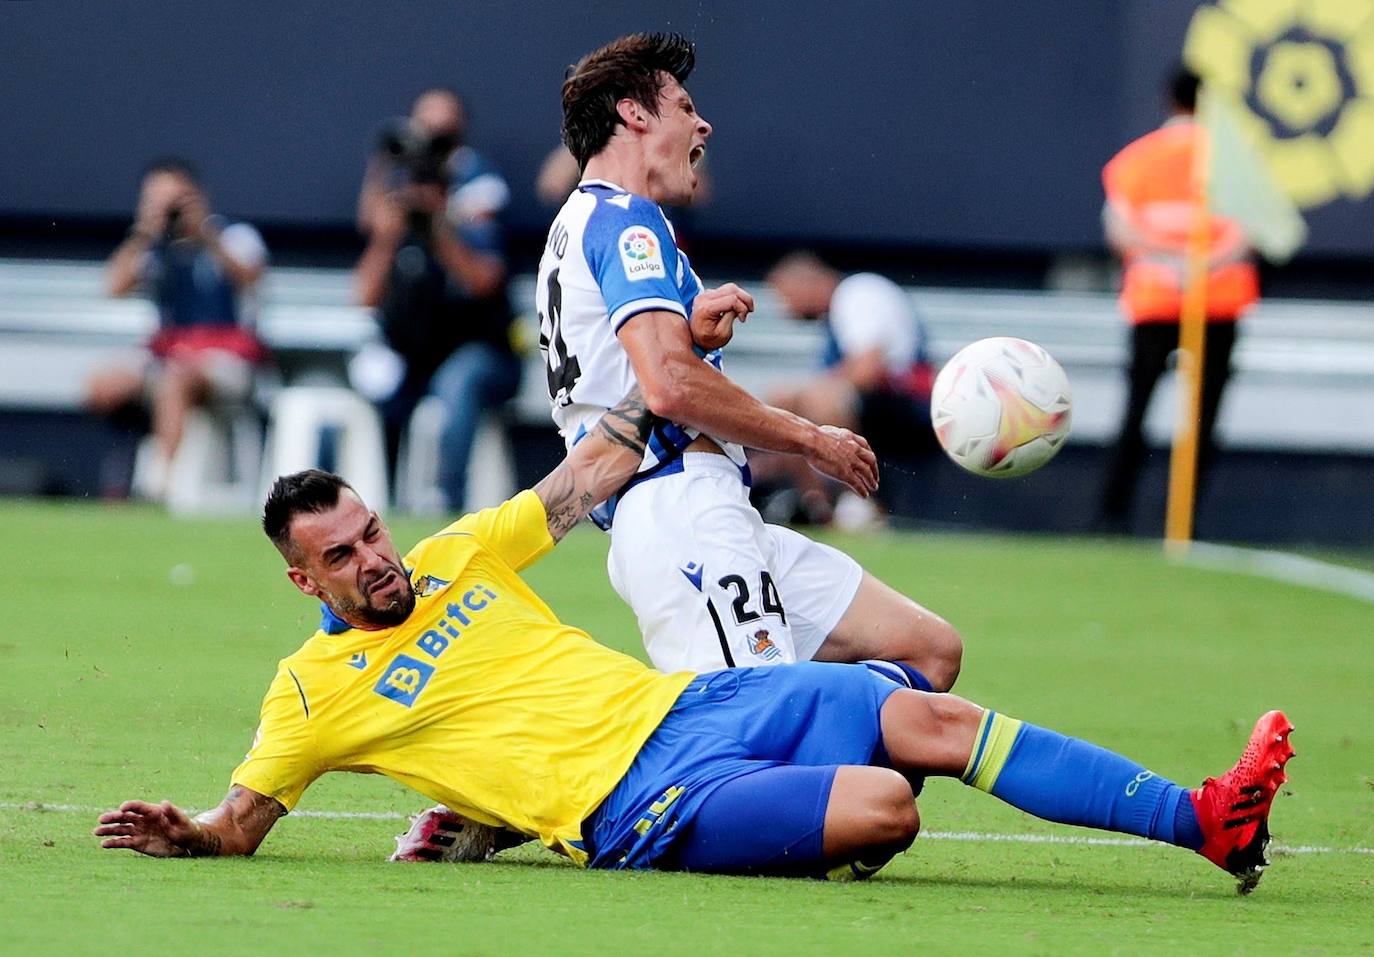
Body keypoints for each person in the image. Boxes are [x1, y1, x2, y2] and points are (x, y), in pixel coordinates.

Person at [92, 384, 1294, 892]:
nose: (375, 558)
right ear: (302, 576)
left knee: (927, 710)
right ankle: (525, 822)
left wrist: (679, 362)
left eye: (371, 531)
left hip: (691, 708)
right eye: (343, 556)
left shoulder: (461, 549)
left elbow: (590, 469)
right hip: (632, 809)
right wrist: (188, 834)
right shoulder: (311, 692)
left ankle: (1203, 818)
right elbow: (242, 822)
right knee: (891, 806)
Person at [532, 32, 961, 689]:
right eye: (682, 106)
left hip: (706, 504)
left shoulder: (579, 224)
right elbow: (669, 385)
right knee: (757, 736)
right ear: (634, 115)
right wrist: (811, 438)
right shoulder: (627, 223)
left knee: (928, 649)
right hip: (678, 505)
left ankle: (845, 772)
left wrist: (693, 339)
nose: (702, 122)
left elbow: (640, 370)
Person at [1097, 68, 1259, 531]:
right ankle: (1182, 520)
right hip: (1217, 300)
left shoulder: (1136, 160)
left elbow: (1119, 230)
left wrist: (1167, 260)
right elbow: (1249, 233)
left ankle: (1112, 516)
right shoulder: (1235, 160)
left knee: (1136, 410)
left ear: (1169, 100)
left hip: (1155, 299)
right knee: (1203, 419)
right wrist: (1201, 264)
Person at [353, 88, 522, 511]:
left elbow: (485, 281)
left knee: (458, 379)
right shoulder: (398, 234)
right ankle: (383, 501)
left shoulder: (472, 225)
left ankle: (449, 501)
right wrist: (388, 239)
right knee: (379, 379)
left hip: (485, 356)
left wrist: (439, 230)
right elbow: (363, 296)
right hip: (417, 357)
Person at [87, 158, 268, 500]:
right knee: (104, 384)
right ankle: (117, 480)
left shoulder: (234, 237)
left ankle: (159, 483)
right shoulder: (154, 249)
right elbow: (113, 286)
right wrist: (145, 231)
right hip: (170, 358)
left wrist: (205, 233)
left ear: (198, 196)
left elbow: (249, 277)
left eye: (176, 199)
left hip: (229, 363)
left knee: (175, 379)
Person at [760, 252, 938, 528]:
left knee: (819, 398)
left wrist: (810, 393)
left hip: (907, 400)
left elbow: (867, 370)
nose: (786, 309)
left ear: (807, 284)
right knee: (782, 402)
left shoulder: (857, 293)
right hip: (876, 401)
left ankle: (859, 500)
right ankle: (816, 505)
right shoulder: (834, 317)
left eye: (786, 297)